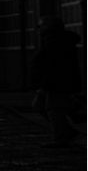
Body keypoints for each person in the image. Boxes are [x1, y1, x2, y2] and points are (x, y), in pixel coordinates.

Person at [33, 14, 83, 148]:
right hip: (52, 81)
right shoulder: (52, 39)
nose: (39, 29)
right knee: (40, 105)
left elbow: (52, 65)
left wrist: (43, 82)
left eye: (40, 26)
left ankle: (61, 138)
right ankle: (67, 130)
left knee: (53, 109)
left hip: (56, 82)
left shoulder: (56, 41)